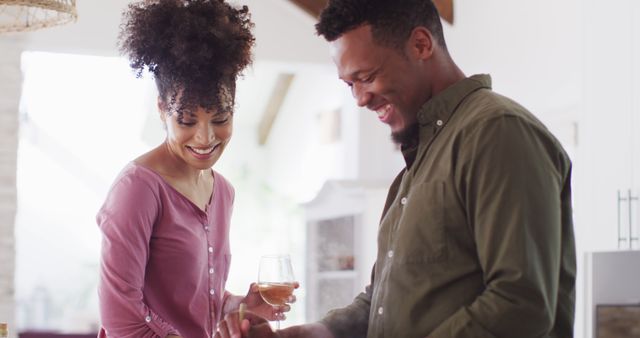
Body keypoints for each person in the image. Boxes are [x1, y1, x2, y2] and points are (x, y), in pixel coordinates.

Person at [215, 0, 576, 337]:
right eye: (349, 84)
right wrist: (311, 333)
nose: (359, 99)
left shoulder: (498, 132)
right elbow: (381, 301)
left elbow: (519, 304)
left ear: (421, 45)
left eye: (367, 77)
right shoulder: (417, 163)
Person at [96, 1, 292, 337]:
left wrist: (239, 306)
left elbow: (194, 301)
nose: (205, 138)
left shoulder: (223, 191)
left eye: (220, 119)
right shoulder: (138, 189)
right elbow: (121, 320)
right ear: (162, 109)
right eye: (186, 120)